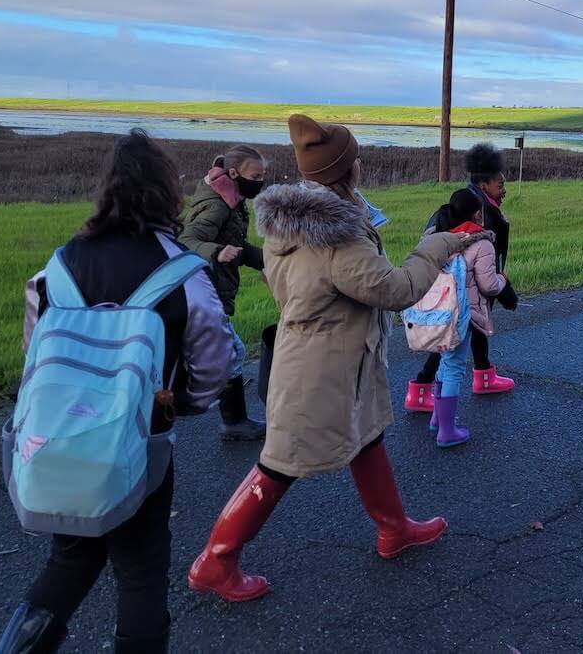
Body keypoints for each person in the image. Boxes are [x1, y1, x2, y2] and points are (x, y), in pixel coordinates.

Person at [187, 114, 478, 603]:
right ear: (350, 169)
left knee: (366, 437)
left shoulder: (293, 220)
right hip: (318, 369)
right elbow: (396, 289)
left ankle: (394, 529)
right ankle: (214, 561)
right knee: (278, 466)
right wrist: (439, 244)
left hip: (337, 358)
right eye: (355, 157)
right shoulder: (336, 234)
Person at [0, 130, 232, 654]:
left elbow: (35, 356)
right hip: (141, 440)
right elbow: (212, 361)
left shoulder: (55, 269)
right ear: (168, 194)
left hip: (58, 439)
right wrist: (186, 404)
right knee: (142, 569)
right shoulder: (183, 274)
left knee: (70, 558)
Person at [405, 144, 518, 412]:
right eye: (500, 185)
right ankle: (421, 390)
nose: (504, 190)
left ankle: (484, 375)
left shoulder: (468, 201)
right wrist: (505, 290)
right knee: (451, 334)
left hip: (459, 284)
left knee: (473, 327)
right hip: (466, 286)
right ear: (483, 183)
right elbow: (483, 263)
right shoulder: (480, 212)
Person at [178, 144, 268, 441]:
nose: (260, 181)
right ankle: (233, 422)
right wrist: (216, 252)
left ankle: (232, 420)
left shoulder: (231, 199)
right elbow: (186, 239)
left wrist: (273, 259)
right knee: (233, 352)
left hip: (211, 288)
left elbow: (238, 249)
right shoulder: (218, 204)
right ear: (233, 173)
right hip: (205, 290)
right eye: (256, 175)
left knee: (229, 351)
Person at [427, 188, 507, 447]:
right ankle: (447, 432)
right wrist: (503, 280)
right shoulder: (481, 243)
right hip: (464, 313)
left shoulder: (439, 238)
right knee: (455, 367)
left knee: (444, 362)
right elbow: (489, 286)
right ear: (478, 214)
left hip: (439, 311)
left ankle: (438, 419)